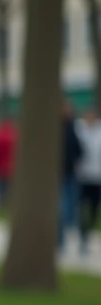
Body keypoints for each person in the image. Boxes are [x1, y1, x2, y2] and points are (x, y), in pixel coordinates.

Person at [59, 100, 84, 253]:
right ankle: (61, 239)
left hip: (71, 173)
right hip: (59, 174)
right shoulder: (57, 129)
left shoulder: (74, 127)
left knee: (72, 205)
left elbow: (80, 149)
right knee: (62, 206)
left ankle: (71, 232)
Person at [77, 106, 101, 255]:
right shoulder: (79, 129)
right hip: (81, 175)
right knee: (80, 205)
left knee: (94, 205)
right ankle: (82, 232)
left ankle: (89, 227)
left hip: (97, 176)